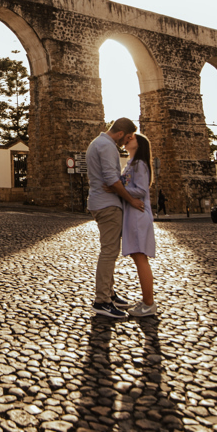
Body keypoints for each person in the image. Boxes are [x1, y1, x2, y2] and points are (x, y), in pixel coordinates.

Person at [86, 117, 144, 318]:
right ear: (120, 133)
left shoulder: (97, 142)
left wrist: (115, 183)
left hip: (100, 202)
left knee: (110, 250)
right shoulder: (108, 146)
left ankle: (109, 293)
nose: (126, 142)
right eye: (126, 137)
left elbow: (110, 179)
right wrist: (131, 200)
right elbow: (111, 179)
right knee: (109, 251)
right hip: (107, 205)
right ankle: (102, 300)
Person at [121, 133, 158, 318]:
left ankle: (149, 303)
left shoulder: (140, 164)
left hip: (138, 215)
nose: (128, 140)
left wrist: (118, 189)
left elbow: (142, 191)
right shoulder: (132, 163)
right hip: (133, 215)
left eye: (132, 138)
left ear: (139, 144)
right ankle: (146, 300)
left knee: (140, 258)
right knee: (138, 258)